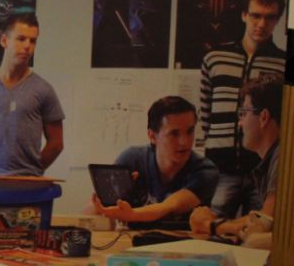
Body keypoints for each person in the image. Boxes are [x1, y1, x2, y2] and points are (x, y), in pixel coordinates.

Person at [199, 0, 285, 218]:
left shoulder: (283, 64)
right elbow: (205, 112)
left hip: (262, 168)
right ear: (244, 15)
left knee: (257, 230)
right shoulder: (215, 58)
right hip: (220, 167)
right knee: (210, 226)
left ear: (278, 20)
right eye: (256, 15)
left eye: (270, 17)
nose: (261, 24)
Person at [94, 96, 219, 225]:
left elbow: (169, 206)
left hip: (182, 238)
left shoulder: (206, 171)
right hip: (133, 237)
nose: (185, 142)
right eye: (174, 134)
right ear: (152, 136)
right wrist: (112, 197)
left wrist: (130, 214)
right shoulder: (132, 160)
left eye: (190, 131)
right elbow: (94, 210)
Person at [189, 74, 281, 243]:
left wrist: (211, 225)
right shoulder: (275, 156)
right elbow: (261, 220)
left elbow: (263, 226)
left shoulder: (280, 156)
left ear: (264, 117)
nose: (239, 123)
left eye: (243, 113)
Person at [0, 13, 64, 176]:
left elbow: (56, 143)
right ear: (4, 41)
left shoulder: (43, 89)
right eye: (21, 39)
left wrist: (33, 170)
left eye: (33, 41)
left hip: (26, 181)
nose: (27, 46)